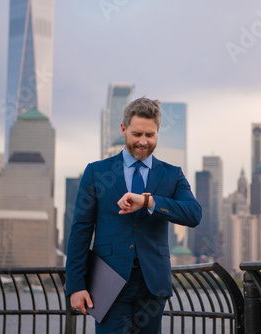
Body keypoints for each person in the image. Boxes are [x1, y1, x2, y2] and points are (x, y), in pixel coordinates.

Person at [66, 97, 202, 333]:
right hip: (108, 282)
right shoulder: (96, 172)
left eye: (150, 135)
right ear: (123, 129)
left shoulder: (172, 175)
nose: (143, 141)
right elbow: (81, 230)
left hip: (153, 285)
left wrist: (149, 201)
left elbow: (193, 214)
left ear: (158, 131)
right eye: (137, 134)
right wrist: (76, 285)